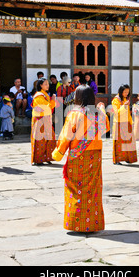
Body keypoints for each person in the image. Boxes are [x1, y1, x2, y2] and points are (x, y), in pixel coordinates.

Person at [52, 85, 109, 232]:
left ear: (77, 97)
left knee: (75, 188)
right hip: (95, 154)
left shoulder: (74, 114)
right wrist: (102, 108)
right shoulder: (96, 114)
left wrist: (59, 151)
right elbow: (105, 126)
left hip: (78, 155)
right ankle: (92, 223)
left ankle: (75, 223)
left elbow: (66, 136)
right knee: (93, 189)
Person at [31, 78, 56, 166]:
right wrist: (53, 100)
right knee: (40, 140)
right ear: (40, 85)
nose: (47, 85)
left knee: (50, 138)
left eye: (48, 84)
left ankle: (47, 157)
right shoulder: (38, 96)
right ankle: (38, 159)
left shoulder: (45, 95)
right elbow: (47, 107)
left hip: (46, 118)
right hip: (40, 119)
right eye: (45, 84)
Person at [112, 84, 137, 165]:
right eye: (125, 92)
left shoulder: (126, 99)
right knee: (119, 143)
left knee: (128, 141)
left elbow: (128, 113)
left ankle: (127, 158)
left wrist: (131, 122)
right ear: (121, 91)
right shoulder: (115, 100)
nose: (126, 93)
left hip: (126, 123)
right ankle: (117, 160)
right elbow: (117, 113)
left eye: (128, 92)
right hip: (118, 123)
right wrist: (124, 106)